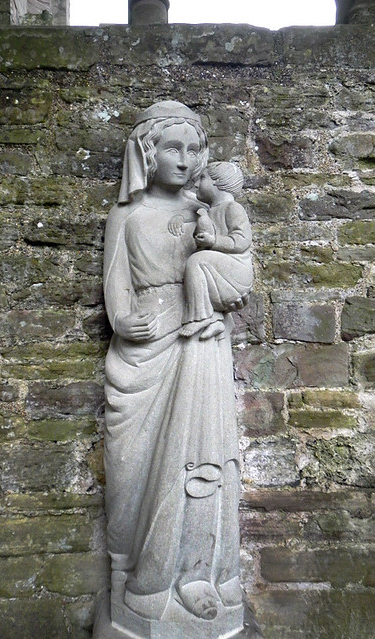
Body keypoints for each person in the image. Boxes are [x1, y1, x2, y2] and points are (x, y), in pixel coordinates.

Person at [103, 101, 248, 633]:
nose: (184, 160)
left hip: (199, 337)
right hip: (144, 348)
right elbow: (117, 284)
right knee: (131, 466)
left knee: (201, 454)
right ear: (147, 152)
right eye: (172, 148)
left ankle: (198, 573)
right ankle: (132, 574)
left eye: (193, 150)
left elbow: (234, 271)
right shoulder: (127, 214)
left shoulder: (206, 212)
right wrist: (121, 320)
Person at [168, 162, 253, 340]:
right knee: (199, 259)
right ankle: (216, 321)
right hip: (220, 271)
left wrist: (213, 241)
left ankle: (201, 317)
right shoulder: (209, 211)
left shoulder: (232, 208)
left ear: (218, 182)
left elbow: (241, 241)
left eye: (202, 178)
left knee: (197, 261)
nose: (197, 184)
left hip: (237, 272)